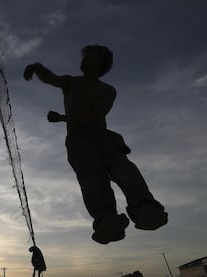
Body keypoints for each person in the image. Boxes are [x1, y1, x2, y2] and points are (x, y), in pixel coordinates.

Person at [23, 44, 168, 244]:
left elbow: (93, 116)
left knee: (123, 168)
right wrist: (37, 67)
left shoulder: (107, 90)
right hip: (78, 140)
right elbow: (51, 78)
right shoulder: (70, 82)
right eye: (84, 56)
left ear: (101, 63)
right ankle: (106, 219)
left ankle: (143, 205)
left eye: (89, 56)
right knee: (91, 178)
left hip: (102, 137)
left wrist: (63, 118)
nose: (84, 59)